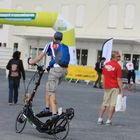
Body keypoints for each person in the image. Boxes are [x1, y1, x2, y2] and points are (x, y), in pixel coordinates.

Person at [29, 31, 70, 118]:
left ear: (54, 37)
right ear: (61, 38)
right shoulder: (64, 46)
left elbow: (39, 57)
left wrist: (31, 62)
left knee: (51, 91)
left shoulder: (50, 44)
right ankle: (47, 108)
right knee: (48, 87)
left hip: (55, 70)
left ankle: (54, 114)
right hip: (64, 71)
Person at [97, 51, 124, 125]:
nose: (120, 57)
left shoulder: (106, 64)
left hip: (107, 86)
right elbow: (118, 79)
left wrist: (104, 84)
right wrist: (122, 90)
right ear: (114, 57)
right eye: (118, 56)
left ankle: (100, 119)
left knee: (104, 103)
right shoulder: (118, 66)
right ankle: (109, 120)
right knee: (113, 104)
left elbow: (103, 75)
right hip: (115, 87)